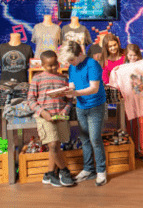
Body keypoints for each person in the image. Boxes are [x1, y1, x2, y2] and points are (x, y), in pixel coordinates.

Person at [59, 41, 108, 186]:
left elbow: (93, 88)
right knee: (85, 139)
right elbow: (72, 85)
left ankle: (101, 171)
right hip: (81, 106)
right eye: (68, 61)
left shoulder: (92, 64)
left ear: (80, 54)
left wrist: (74, 92)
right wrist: (66, 91)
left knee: (95, 139)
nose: (71, 63)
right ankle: (88, 169)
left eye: (72, 59)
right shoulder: (72, 67)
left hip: (95, 106)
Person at [27, 50, 74, 187]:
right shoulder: (37, 78)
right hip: (45, 117)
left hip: (60, 116)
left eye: (55, 64)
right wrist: (43, 112)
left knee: (57, 146)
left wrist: (65, 111)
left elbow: (69, 100)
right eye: (49, 65)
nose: (53, 68)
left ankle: (49, 173)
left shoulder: (64, 78)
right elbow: (30, 100)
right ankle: (64, 171)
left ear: (58, 63)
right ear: (42, 65)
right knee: (53, 145)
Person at [123, 44, 143, 162]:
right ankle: (133, 150)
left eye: (135, 55)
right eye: (130, 55)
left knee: (142, 125)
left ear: (138, 55)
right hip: (129, 99)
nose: (132, 57)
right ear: (126, 55)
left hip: (141, 99)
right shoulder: (123, 67)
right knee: (130, 126)